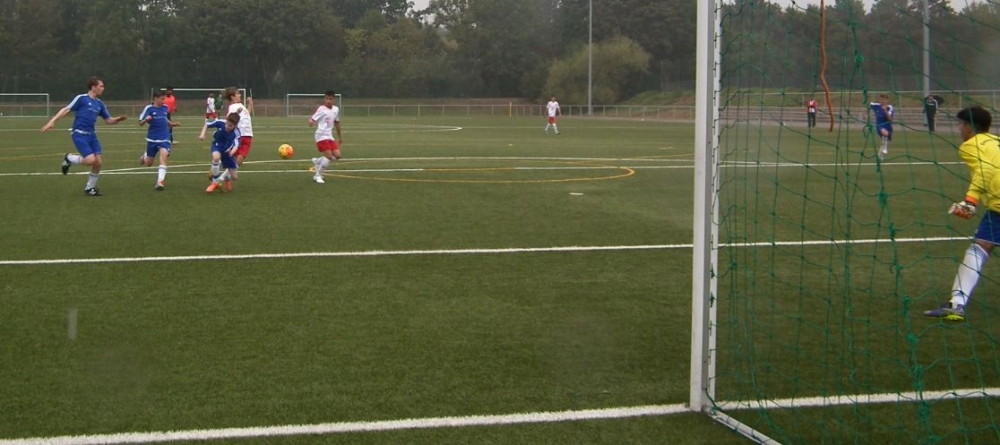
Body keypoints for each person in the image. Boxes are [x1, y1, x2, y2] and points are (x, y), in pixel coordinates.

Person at [924, 106, 1000, 322]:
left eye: (961, 124)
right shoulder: (996, 141)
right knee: (982, 245)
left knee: (979, 248)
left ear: (970, 127)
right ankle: (957, 303)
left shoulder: (969, 146)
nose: (959, 129)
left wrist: (970, 201)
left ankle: (957, 304)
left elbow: (985, 170)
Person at [40, 76, 128, 197]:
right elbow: (66, 109)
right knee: (90, 160)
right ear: (93, 87)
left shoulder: (100, 104)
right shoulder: (81, 98)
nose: (103, 88)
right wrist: (52, 121)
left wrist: (118, 119)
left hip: (92, 135)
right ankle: (69, 158)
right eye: (101, 86)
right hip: (79, 134)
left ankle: (90, 188)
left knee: (98, 163)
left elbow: (109, 120)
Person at [138, 90, 181, 190]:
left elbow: (164, 119)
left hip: (164, 138)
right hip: (152, 139)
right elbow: (140, 123)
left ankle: (160, 181)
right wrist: (146, 120)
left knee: (164, 156)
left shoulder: (165, 107)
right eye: (162, 99)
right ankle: (145, 156)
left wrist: (172, 124)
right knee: (149, 163)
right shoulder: (148, 108)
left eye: (164, 99)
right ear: (155, 98)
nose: (163, 101)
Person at [200, 87, 254, 165]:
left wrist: (250, 104)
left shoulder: (241, 105)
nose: (240, 95)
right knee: (234, 159)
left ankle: (223, 168)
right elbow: (229, 120)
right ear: (232, 97)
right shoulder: (232, 107)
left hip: (248, 135)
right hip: (239, 135)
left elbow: (246, 115)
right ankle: (217, 164)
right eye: (238, 94)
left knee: (239, 161)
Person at [308, 90, 343, 184]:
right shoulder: (321, 109)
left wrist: (340, 137)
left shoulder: (336, 109)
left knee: (338, 156)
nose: (328, 101)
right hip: (321, 135)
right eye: (327, 99)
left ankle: (318, 161)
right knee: (329, 157)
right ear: (324, 99)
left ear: (333, 99)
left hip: (329, 136)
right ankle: (317, 176)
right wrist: (311, 122)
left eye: (330, 99)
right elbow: (312, 119)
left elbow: (337, 123)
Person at [204, 112, 242, 193]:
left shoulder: (236, 132)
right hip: (217, 146)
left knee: (235, 177)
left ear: (235, 126)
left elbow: (236, 145)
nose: (227, 126)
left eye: (230, 126)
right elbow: (207, 124)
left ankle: (226, 178)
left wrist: (232, 152)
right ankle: (215, 182)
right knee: (216, 157)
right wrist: (202, 135)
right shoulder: (221, 123)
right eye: (227, 124)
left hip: (227, 152)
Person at [868, 94, 894, 160]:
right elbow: (869, 104)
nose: (881, 101)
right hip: (879, 125)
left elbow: (890, 119)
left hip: (888, 126)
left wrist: (885, 111)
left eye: (883, 99)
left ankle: (880, 156)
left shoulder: (890, 107)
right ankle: (885, 148)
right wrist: (866, 113)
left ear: (887, 100)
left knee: (885, 137)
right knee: (885, 133)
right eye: (880, 99)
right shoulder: (876, 105)